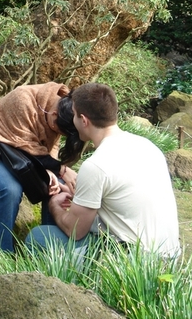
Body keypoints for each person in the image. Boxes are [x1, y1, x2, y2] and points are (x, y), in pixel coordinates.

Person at [26, 83, 180, 257]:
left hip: (134, 262)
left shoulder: (96, 165)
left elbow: (75, 231)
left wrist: (54, 206)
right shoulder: (148, 146)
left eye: (74, 115)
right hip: (169, 255)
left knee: (38, 237)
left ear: (84, 121)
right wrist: (78, 194)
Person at [0, 82, 83, 252]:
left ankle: (50, 250)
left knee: (55, 187)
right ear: (54, 113)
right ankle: (3, 254)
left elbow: (50, 147)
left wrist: (52, 173)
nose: (57, 133)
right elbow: (27, 147)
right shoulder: (23, 100)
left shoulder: (64, 105)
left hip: (20, 158)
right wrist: (62, 169)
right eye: (57, 129)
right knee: (10, 189)